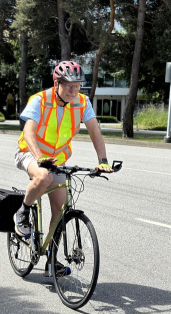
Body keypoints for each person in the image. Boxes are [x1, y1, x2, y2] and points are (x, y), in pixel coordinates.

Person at [14, 60, 113, 276]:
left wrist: (103, 160)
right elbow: (29, 132)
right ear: (56, 82)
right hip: (30, 153)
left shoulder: (83, 102)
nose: (73, 90)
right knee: (43, 177)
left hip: (56, 159)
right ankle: (23, 212)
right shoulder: (39, 100)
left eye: (77, 86)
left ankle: (51, 261)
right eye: (68, 85)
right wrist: (40, 158)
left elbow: (95, 132)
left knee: (59, 211)